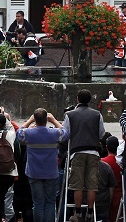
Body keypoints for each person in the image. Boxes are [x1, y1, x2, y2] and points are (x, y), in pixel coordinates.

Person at [16, 108, 68, 221]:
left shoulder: (29, 133)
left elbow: (19, 133)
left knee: (38, 203)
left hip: (34, 173)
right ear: (46, 120)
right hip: (51, 172)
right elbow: (65, 133)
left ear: (35, 119)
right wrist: (54, 120)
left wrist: (29, 121)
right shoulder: (54, 133)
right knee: (50, 202)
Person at [65, 89, 107, 222]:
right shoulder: (97, 114)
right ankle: (89, 212)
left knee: (77, 184)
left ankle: (77, 213)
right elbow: (101, 134)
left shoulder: (70, 115)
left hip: (77, 151)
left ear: (77, 99)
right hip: (93, 152)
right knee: (91, 185)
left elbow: (65, 134)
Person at [102, 136, 122, 222]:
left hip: (107, 197)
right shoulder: (121, 162)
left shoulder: (103, 162)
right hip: (121, 194)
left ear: (106, 147)